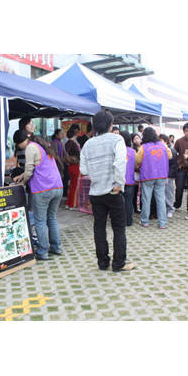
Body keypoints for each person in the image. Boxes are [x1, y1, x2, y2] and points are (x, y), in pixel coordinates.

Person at [80, 110, 135, 272]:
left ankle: (103, 263)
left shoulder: (88, 144)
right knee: (119, 228)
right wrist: (119, 182)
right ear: (111, 125)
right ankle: (118, 264)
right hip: (113, 190)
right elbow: (120, 162)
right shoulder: (116, 139)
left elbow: (83, 170)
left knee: (99, 228)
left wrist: (97, 174)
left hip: (96, 192)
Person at [14, 130, 63, 260]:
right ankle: (56, 247)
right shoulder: (43, 145)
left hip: (43, 188)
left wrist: (23, 183)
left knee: (40, 221)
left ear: (20, 142)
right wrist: (21, 176)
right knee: (51, 218)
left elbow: (29, 171)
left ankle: (43, 251)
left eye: (18, 145)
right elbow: (38, 166)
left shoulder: (30, 147)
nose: (19, 147)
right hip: (57, 186)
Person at [136, 127, 172, 228]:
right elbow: (170, 156)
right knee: (160, 199)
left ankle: (145, 221)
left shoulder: (143, 147)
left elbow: (138, 160)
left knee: (146, 199)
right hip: (161, 175)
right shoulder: (163, 145)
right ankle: (162, 223)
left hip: (148, 175)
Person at [174, 122, 188, 214]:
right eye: (186, 131)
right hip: (181, 168)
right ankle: (177, 204)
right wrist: (177, 164)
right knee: (179, 188)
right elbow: (174, 153)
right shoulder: (179, 141)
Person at [120, 131, 136, 226]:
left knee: (119, 202)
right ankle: (129, 221)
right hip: (130, 180)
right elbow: (136, 165)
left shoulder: (117, 151)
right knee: (129, 202)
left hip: (119, 180)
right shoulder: (133, 151)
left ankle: (120, 221)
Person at [159, 134, 177, 218]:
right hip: (162, 174)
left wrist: (168, 175)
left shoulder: (171, 150)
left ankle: (170, 209)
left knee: (169, 192)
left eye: (160, 141)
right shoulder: (161, 149)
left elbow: (172, 166)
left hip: (168, 175)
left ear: (165, 141)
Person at [64, 124, 81, 210]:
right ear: (74, 134)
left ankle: (68, 203)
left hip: (70, 166)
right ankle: (73, 205)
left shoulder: (66, 143)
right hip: (75, 166)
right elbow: (79, 155)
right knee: (75, 186)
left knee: (71, 186)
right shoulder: (74, 144)